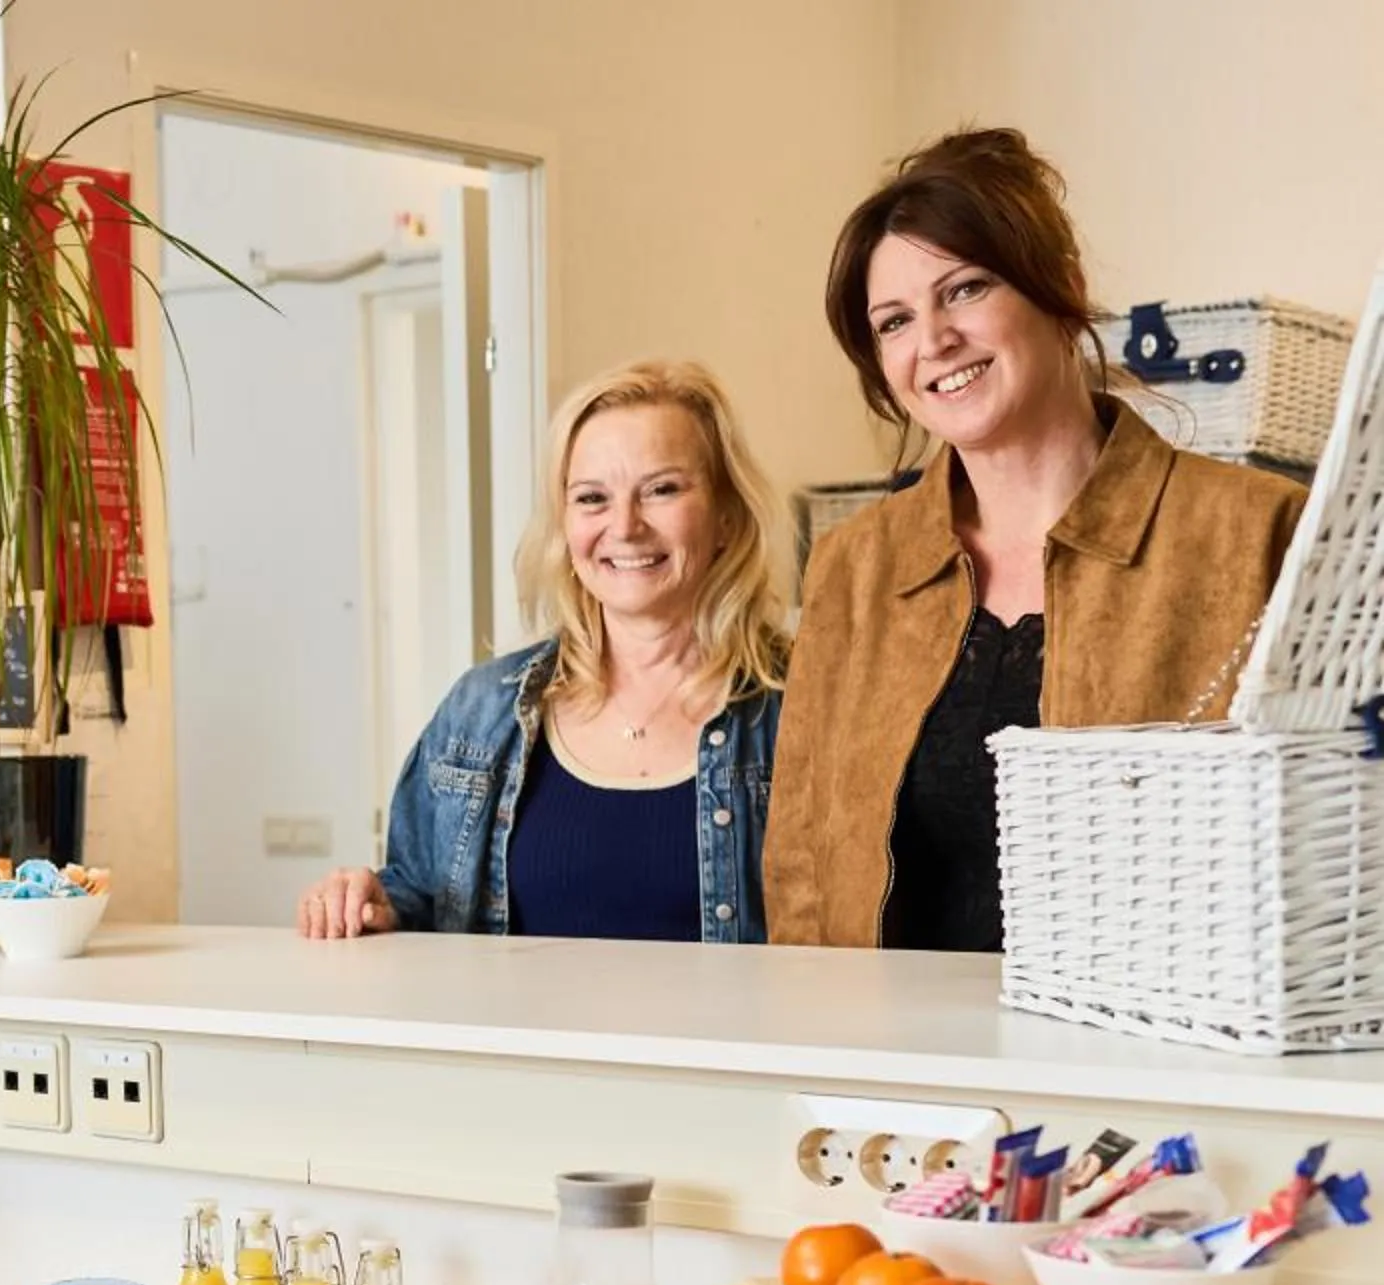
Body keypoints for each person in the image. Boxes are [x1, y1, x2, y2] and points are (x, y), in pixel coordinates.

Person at [765, 127, 1306, 951]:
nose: (933, 341)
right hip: (892, 1070)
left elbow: (1322, 842)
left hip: (1153, 1067)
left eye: (968, 289)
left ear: (1061, 291)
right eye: (893, 322)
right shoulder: (854, 568)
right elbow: (802, 876)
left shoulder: (1259, 531)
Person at [297, 359, 785, 944]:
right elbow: (420, 892)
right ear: (564, 524)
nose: (625, 526)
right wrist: (370, 901)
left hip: (727, 1038)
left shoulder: (801, 708)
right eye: (592, 498)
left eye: (662, 490)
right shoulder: (481, 711)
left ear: (726, 516)